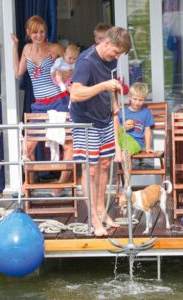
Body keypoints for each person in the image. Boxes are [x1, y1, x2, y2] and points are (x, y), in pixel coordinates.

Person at [70, 26, 131, 237]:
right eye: (116, 52)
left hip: (104, 118)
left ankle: (101, 210)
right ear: (106, 43)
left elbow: (111, 88)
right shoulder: (86, 62)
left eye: (120, 54)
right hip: (85, 121)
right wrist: (103, 86)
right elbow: (75, 93)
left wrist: (113, 105)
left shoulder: (111, 60)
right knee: (91, 169)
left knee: (105, 165)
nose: (117, 57)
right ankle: (94, 219)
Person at [11, 15, 72, 197]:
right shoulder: (27, 49)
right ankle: (28, 183)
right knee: (27, 147)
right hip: (39, 105)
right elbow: (17, 73)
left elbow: (74, 68)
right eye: (35, 32)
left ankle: (60, 185)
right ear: (29, 33)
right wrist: (15, 46)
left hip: (59, 100)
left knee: (68, 144)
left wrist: (61, 69)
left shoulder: (55, 48)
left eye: (42, 31)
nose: (39, 35)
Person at [118, 82, 155, 186]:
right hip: (121, 140)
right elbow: (117, 130)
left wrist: (147, 147)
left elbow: (147, 131)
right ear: (129, 97)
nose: (138, 102)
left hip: (135, 142)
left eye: (141, 100)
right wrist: (123, 127)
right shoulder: (122, 112)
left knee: (125, 153)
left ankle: (127, 185)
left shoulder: (146, 113)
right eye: (135, 99)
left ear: (144, 99)